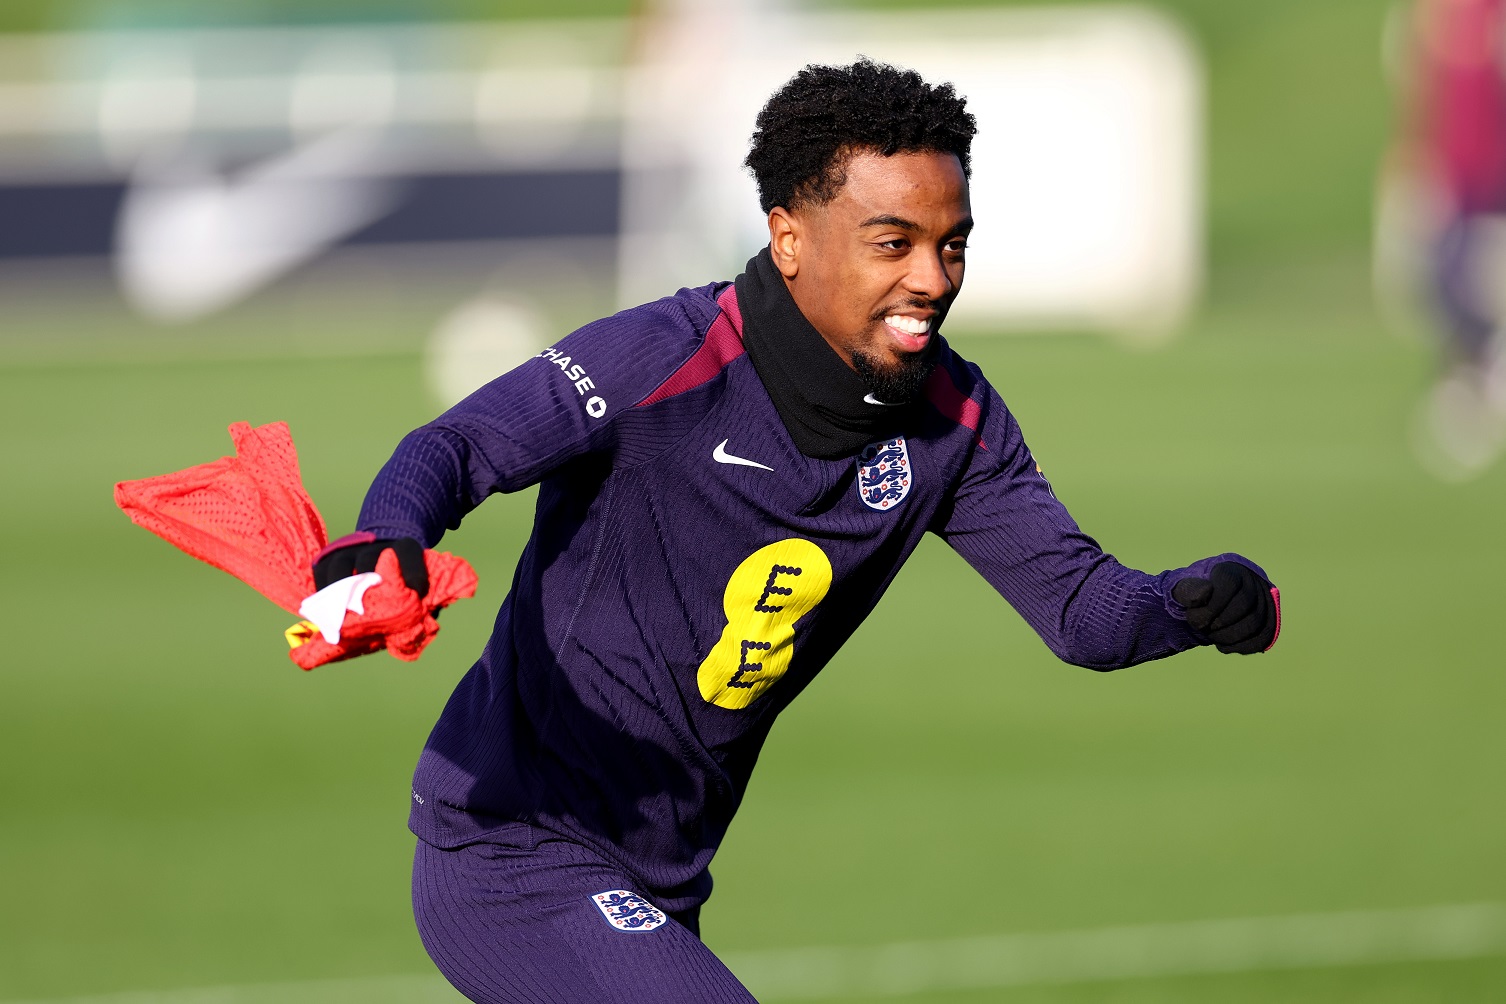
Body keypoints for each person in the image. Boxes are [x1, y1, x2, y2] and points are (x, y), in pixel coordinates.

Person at [313, 59, 1281, 1004]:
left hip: (662, 876)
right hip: (512, 846)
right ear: (788, 239)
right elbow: (460, 445)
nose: (932, 278)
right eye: (892, 243)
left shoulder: (956, 418)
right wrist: (387, 537)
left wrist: (1195, 600)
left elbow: (1083, 612)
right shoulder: (663, 358)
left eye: (952, 245)